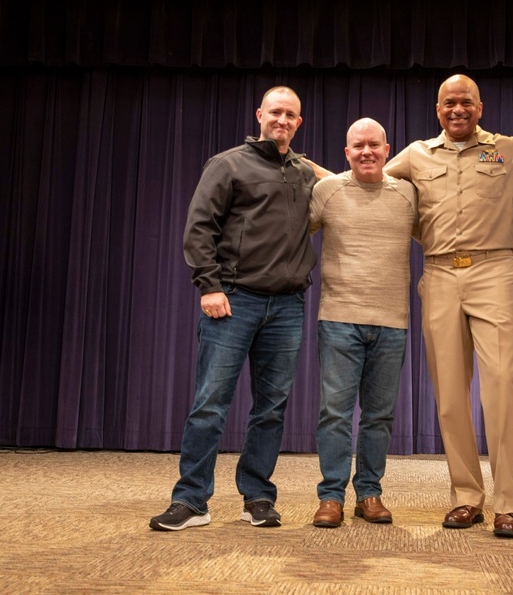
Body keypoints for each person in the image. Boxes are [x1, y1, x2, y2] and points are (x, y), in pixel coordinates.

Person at [150, 86, 317, 532]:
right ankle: (191, 500)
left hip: (287, 307)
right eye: (275, 112)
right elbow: (199, 226)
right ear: (260, 114)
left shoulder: (304, 174)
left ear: (299, 123)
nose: (282, 120)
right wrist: (209, 285)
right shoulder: (228, 164)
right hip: (233, 301)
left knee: (271, 408)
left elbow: (345, 188)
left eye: (291, 115)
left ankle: (258, 497)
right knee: (210, 404)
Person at [384, 74, 513, 538]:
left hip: (494, 271)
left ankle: (509, 502)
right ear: (437, 109)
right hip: (441, 274)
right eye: (449, 103)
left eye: (465, 102)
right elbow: (374, 189)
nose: (457, 109)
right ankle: (466, 497)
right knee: (450, 394)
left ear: (480, 107)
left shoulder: (508, 149)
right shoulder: (415, 155)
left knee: (501, 387)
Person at [307, 118, 419, 528]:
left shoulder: (407, 194)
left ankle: (369, 493)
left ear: (388, 149)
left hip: (392, 323)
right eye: (358, 146)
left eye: (374, 144)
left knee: (379, 416)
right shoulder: (327, 191)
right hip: (338, 320)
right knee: (334, 413)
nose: (367, 151)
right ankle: (331, 497)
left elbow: (444, 234)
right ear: (347, 153)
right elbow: (289, 230)